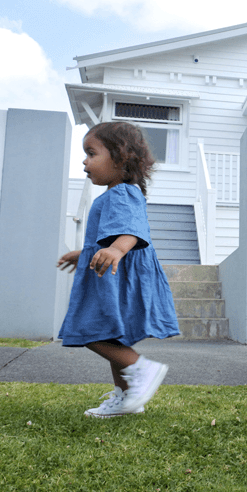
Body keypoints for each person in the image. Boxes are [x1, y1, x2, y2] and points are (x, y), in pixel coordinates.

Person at [57, 121, 180, 418]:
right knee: (113, 336)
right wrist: (84, 253)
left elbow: (131, 232)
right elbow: (111, 234)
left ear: (120, 157)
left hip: (119, 276)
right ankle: (126, 397)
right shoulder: (115, 194)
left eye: (91, 153)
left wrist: (116, 249)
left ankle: (142, 369)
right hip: (112, 275)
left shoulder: (122, 193)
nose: (85, 162)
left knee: (91, 330)